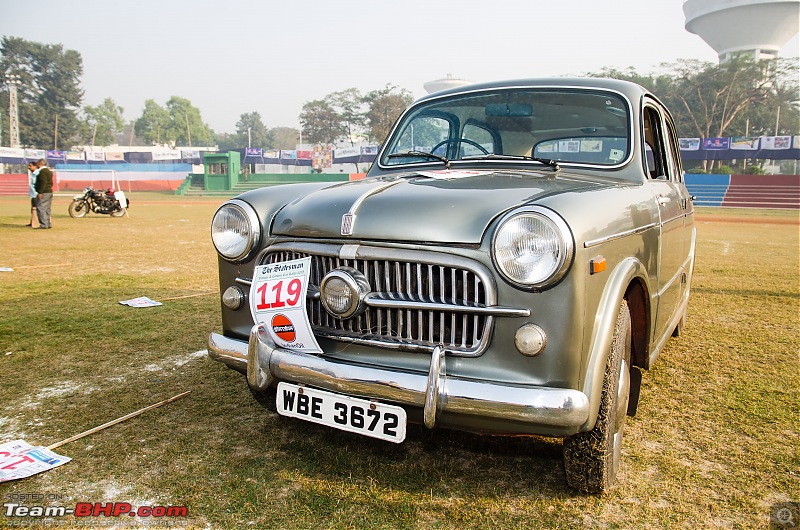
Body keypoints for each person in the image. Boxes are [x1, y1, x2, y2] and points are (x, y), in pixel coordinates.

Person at [33, 159, 53, 229]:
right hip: (49, 191)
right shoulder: (48, 171)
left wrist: (40, 192)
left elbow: (43, 182)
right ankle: (48, 223)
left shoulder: (42, 172)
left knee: (40, 207)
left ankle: (43, 224)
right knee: (47, 208)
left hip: (44, 192)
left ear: (39, 163)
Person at [26, 161, 40, 227]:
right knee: (33, 209)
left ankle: (37, 223)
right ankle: (32, 222)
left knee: (36, 209)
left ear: (35, 166)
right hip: (33, 194)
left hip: (36, 194)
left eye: (30, 166)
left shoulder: (37, 173)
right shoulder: (33, 173)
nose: (29, 167)